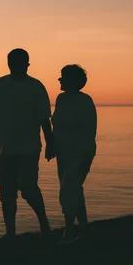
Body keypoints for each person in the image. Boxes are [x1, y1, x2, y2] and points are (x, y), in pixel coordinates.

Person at [0, 48, 55, 241]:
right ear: (8, 64)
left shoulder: (36, 87)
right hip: (5, 149)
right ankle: (10, 232)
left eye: (20, 63)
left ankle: (43, 222)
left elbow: (44, 119)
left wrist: (50, 143)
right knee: (7, 192)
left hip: (29, 148)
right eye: (13, 63)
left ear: (27, 64)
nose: (16, 67)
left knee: (28, 188)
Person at [51, 64, 97, 243]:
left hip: (80, 153)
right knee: (73, 190)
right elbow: (57, 125)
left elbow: (88, 129)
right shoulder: (61, 99)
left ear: (72, 80)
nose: (59, 79)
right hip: (63, 152)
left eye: (62, 77)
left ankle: (70, 230)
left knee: (69, 188)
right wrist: (52, 146)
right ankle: (83, 229)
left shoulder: (85, 101)